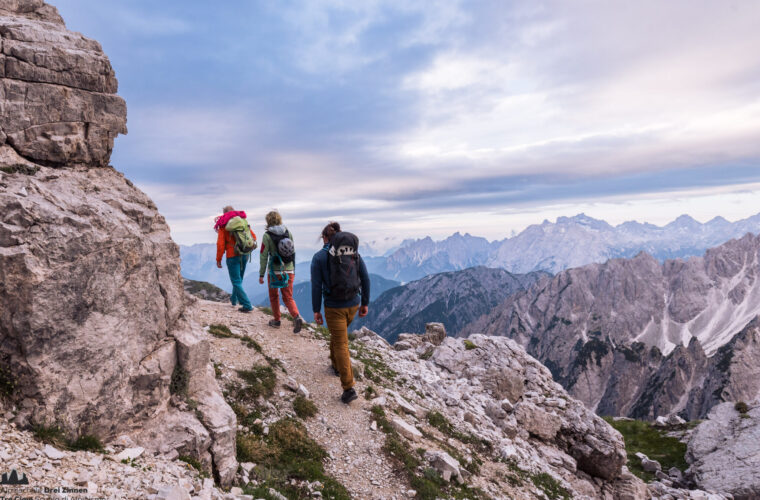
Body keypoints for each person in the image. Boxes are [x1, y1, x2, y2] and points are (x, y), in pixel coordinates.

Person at [311, 222, 370, 404]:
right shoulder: (353, 253)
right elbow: (365, 278)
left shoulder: (319, 257)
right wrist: (365, 303)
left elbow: (316, 286)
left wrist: (316, 310)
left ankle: (349, 388)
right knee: (338, 336)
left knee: (341, 343)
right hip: (353, 303)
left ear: (325, 238)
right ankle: (336, 365)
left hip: (334, 306)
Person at [259, 210, 304, 332]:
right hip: (288, 270)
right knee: (288, 297)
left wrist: (261, 274)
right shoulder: (288, 233)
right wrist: (293, 269)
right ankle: (296, 316)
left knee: (274, 296)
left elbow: (263, 255)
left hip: (274, 272)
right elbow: (293, 252)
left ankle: (277, 320)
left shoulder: (267, 236)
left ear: (268, 221)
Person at [215, 205, 256, 313]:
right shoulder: (242, 221)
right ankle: (234, 300)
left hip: (232, 255)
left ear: (224, 214)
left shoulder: (223, 225)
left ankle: (247, 305)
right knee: (239, 280)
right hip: (245, 253)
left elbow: (220, 244)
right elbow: (253, 237)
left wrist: (218, 259)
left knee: (236, 281)